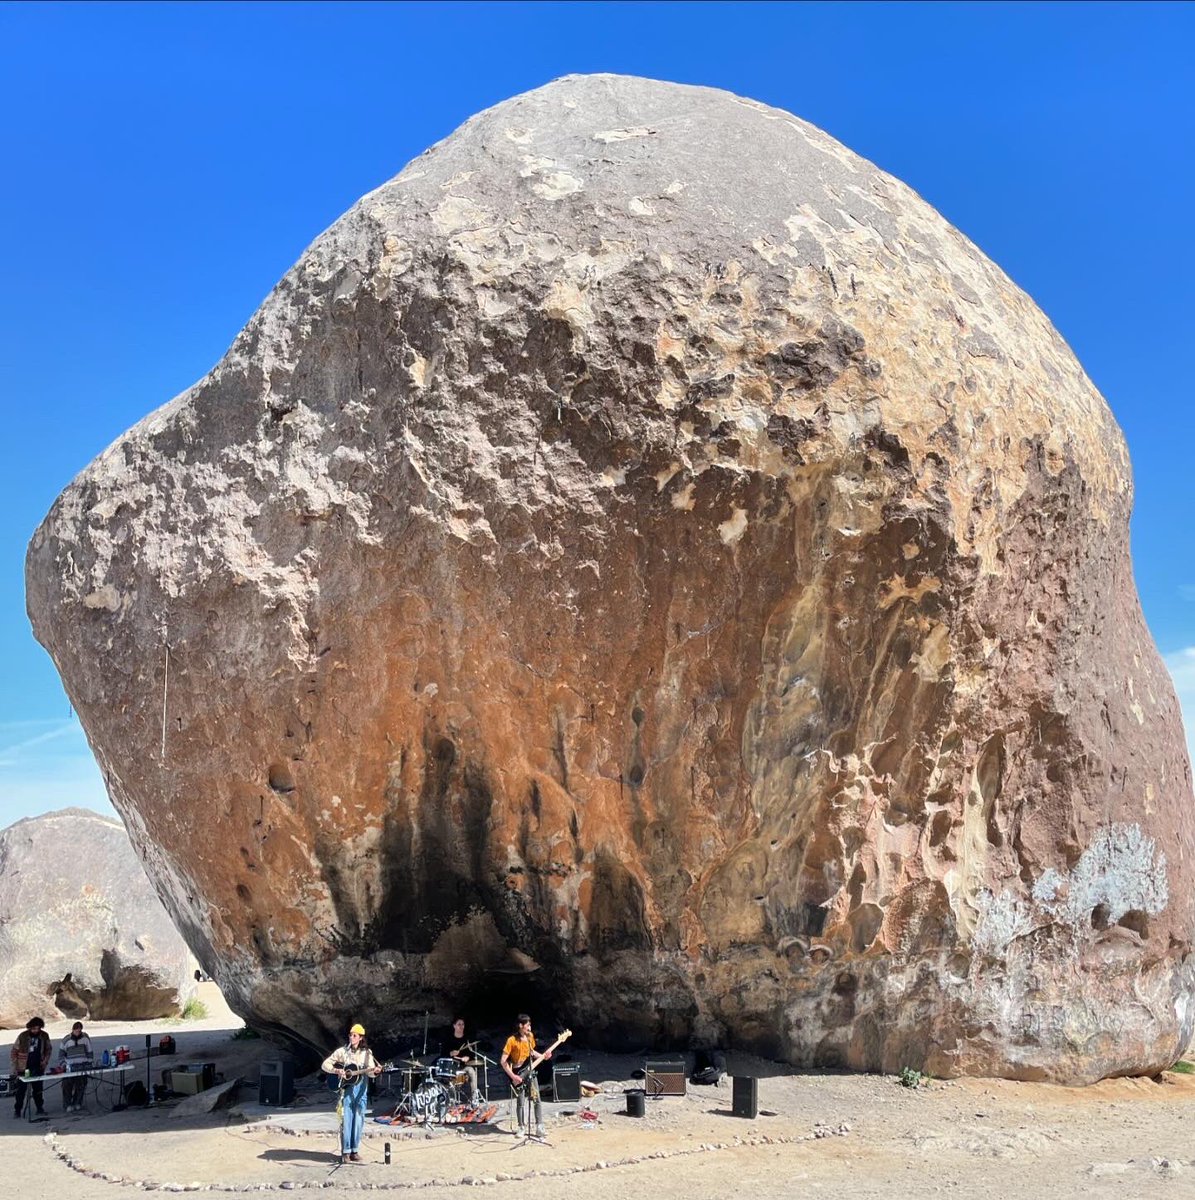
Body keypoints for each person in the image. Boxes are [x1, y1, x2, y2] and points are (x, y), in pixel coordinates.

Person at [320, 1022, 382, 1164]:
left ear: (360, 1037)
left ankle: (355, 1150)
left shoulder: (367, 1054)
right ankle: (345, 1152)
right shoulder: (342, 1052)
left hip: (362, 1090)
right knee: (347, 1119)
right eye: (350, 1035)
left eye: (354, 1035)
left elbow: (371, 1073)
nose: (351, 1037)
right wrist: (337, 1070)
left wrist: (376, 1071)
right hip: (348, 1090)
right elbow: (325, 1064)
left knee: (359, 1119)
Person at [500, 1014, 551, 1138]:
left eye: (530, 1024)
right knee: (521, 1101)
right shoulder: (511, 1040)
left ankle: (539, 1126)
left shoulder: (530, 1037)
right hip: (517, 1072)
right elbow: (503, 1061)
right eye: (527, 1025)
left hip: (530, 1070)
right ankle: (521, 1127)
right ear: (520, 1026)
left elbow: (532, 1052)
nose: (529, 1027)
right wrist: (513, 1077)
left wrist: (544, 1056)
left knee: (536, 1099)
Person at [11, 1016, 52, 1119]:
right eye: (33, 1028)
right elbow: (14, 1051)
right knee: (21, 1091)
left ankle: (39, 1108)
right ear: (30, 1028)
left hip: (38, 1067)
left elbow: (48, 1049)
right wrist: (15, 1067)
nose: (36, 1030)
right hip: (23, 1067)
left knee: (38, 1090)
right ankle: (17, 1110)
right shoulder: (22, 1036)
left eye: (38, 1028)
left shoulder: (44, 1036)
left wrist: (45, 1061)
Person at [444, 1017, 481, 1104]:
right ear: (454, 1026)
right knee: (455, 1081)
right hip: (451, 1068)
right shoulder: (448, 1039)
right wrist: (451, 1054)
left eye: (462, 1024)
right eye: (459, 1024)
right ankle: (452, 1099)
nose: (461, 1026)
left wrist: (467, 1057)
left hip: (463, 1067)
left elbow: (472, 1054)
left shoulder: (467, 1040)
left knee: (471, 1071)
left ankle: (474, 1099)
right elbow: (442, 1054)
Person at [59, 1021, 93, 1112]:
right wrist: (64, 1065)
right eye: (76, 1030)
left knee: (81, 1084)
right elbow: (61, 1055)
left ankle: (77, 1103)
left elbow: (90, 1052)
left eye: (79, 1030)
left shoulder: (85, 1038)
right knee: (67, 1085)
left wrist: (89, 1063)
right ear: (73, 1030)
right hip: (69, 1067)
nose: (78, 1032)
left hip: (83, 1065)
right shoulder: (66, 1040)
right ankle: (67, 1104)